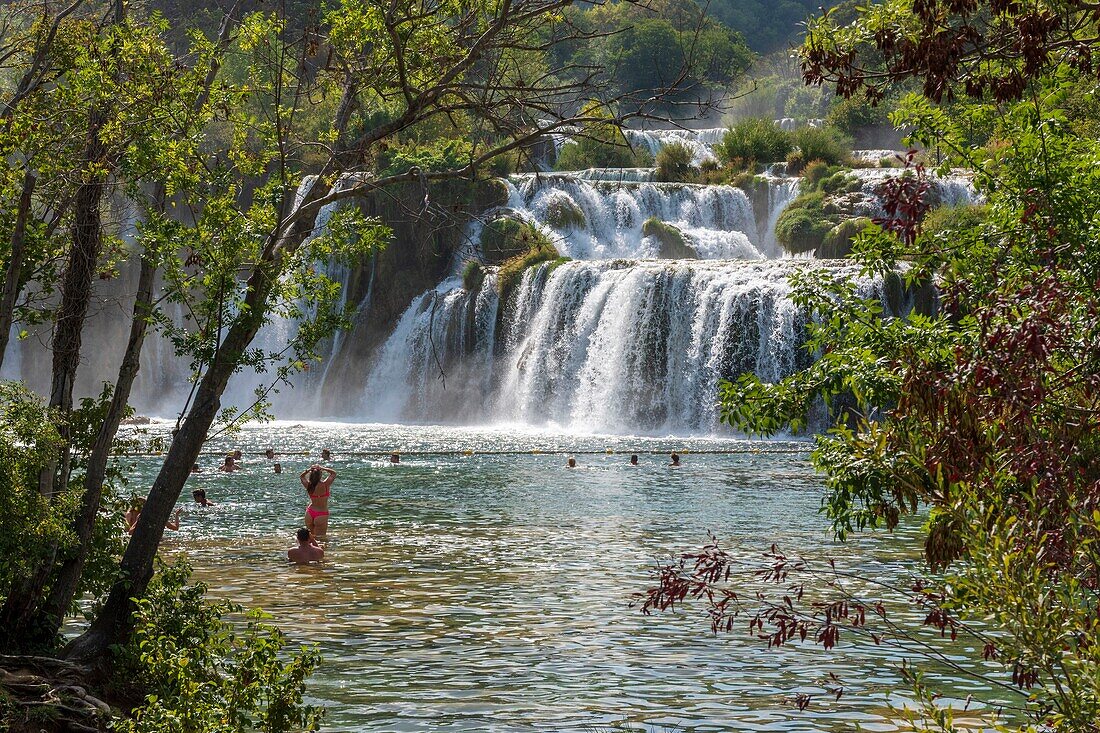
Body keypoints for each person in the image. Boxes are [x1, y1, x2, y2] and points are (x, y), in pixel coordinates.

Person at [300, 464, 337, 537]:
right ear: (320, 475)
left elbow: (301, 476)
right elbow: (333, 473)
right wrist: (323, 468)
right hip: (321, 513)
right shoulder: (326, 484)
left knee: (310, 538)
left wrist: (309, 470)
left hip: (309, 512)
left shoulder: (308, 486)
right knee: (321, 539)